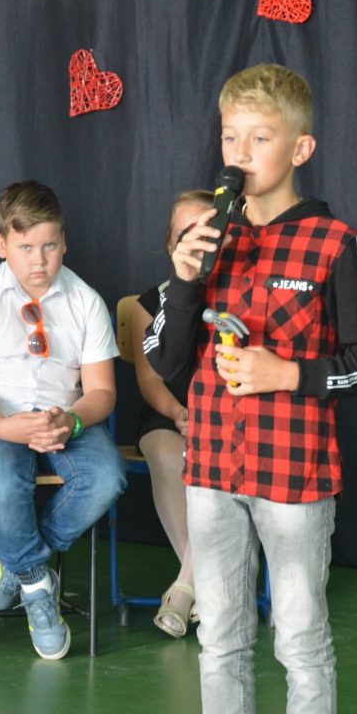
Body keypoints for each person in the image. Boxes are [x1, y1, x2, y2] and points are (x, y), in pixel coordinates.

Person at [144, 64, 357, 714]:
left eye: (260, 137)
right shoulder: (205, 239)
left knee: (299, 641)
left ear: (299, 148)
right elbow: (164, 361)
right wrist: (184, 282)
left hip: (293, 479)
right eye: (230, 137)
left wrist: (288, 373)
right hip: (212, 470)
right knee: (219, 640)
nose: (241, 152)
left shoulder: (335, 243)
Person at [0, 180, 126, 660]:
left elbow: (102, 392)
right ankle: (35, 583)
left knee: (106, 478)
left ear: (64, 242)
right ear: (1, 245)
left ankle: (16, 566)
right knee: (4, 484)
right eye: (25, 247)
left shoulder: (85, 301)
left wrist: (69, 421)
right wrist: (4, 427)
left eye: (49, 245)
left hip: (64, 415)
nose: (39, 260)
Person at [131, 190, 214, 638]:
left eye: (208, 230)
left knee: (215, 463)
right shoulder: (149, 304)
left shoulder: (240, 296)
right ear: (170, 243)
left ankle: (186, 590)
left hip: (226, 418)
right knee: (166, 452)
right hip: (170, 411)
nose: (197, 240)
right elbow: (149, 381)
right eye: (186, 232)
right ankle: (208, 586)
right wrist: (179, 413)